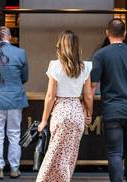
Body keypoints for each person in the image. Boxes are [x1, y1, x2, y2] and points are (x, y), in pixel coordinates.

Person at [91, 19, 127, 182]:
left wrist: (87, 109)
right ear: (124, 34)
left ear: (107, 33)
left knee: (115, 153)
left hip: (112, 111)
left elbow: (92, 86)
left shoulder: (100, 55)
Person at [37, 30, 94, 182]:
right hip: (76, 113)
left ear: (61, 46)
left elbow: (50, 96)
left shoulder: (55, 66)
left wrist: (44, 120)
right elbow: (88, 96)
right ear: (76, 46)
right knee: (68, 157)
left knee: (53, 155)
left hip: (60, 112)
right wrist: (88, 114)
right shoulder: (86, 67)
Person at [0, 27, 29, 179]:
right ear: (9, 37)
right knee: (14, 134)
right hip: (15, 98)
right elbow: (24, 77)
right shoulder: (20, 53)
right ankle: (14, 168)